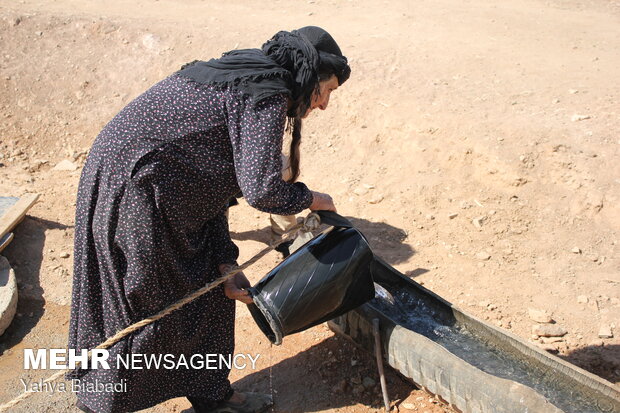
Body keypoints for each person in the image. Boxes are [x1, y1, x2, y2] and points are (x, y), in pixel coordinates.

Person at [68, 26, 350, 413]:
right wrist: (316, 200)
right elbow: (262, 190)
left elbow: (216, 181)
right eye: (329, 91)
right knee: (140, 302)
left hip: (165, 190)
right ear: (310, 74)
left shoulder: (248, 76)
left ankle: (212, 395)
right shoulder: (265, 90)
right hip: (136, 192)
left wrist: (225, 259)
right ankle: (100, 405)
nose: (323, 106)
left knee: (211, 286)